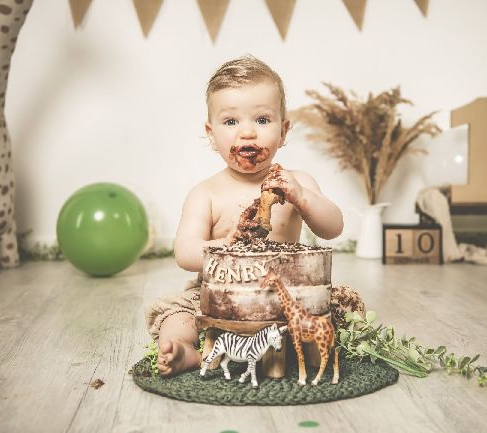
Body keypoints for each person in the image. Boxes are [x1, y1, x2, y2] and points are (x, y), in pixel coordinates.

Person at [145, 55, 346, 376]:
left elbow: (333, 228)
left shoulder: (297, 183)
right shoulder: (205, 193)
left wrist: (303, 198)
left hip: (288, 292)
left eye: (262, 120)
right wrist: (225, 245)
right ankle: (183, 350)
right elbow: (184, 252)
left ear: (284, 131)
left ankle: (295, 346)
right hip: (220, 293)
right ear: (211, 134)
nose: (248, 132)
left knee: (339, 306)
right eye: (231, 122)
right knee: (177, 314)